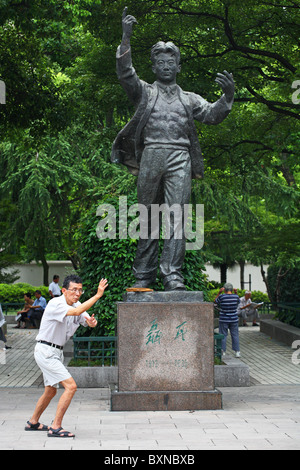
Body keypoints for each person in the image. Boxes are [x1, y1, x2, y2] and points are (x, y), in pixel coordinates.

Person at [111, 8, 235, 291]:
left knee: (177, 217)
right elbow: (126, 74)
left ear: (178, 67)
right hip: (152, 155)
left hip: (180, 158)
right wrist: (126, 38)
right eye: (160, 62)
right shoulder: (144, 92)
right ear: (154, 67)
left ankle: (172, 275)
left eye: (171, 62)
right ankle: (143, 275)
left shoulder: (190, 99)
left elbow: (212, 114)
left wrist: (227, 96)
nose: (166, 66)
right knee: (148, 215)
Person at [25, 274, 108, 438]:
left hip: (56, 352)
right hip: (46, 351)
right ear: (64, 290)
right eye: (74, 290)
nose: (77, 293)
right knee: (71, 386)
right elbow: (77, 311)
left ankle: (33, 422)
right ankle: (56, 427)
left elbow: (86, 318)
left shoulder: (76, 304)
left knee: (50, 391)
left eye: (80, 290)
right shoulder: (55, 304)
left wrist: (92, 322)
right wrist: (98, 295)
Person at [214, 283, 241, 358]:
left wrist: (219, 292)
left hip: (224, 319)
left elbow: (215, 301)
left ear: (224, 289)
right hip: (234, 319)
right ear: (232, 289)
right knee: (235, 335)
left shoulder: (222, 297)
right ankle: (237, 352)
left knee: (223, 335)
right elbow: (238, 302)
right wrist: (236, 293)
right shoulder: (235, 297)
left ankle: (222, 351)